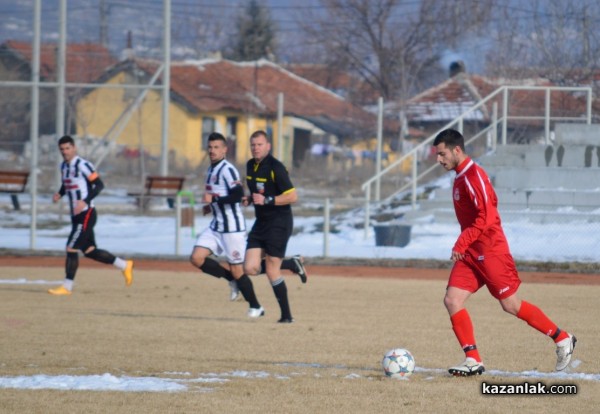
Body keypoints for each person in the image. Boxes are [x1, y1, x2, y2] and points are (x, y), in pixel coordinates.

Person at [433, 128, 576, 376]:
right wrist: (466, 245)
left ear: (457, 150)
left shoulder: (473, 176)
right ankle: (473, 360)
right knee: (452, 300)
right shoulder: (459, 176)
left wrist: (461, 242)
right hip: (471, 253)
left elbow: (486, 217)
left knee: (510, 305)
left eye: (442, 153)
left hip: (490, 250)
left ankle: (562, 338)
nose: (439, 159)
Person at [48, 135, 133, 295]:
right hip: (75, 215)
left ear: (74, 148)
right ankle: (124, 265)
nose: (65, 152)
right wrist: (59, 194)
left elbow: (99, 185)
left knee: (71, 248)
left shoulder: (83, 165)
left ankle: (67, 287)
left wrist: (85, 201)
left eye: (68, 148)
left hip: (86, 213)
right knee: (89, 250)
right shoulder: (64, 167)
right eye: (62, 149)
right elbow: (67, 185)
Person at [190, 132, 263, 313]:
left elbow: (237, 195)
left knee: (239, 270)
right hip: (216, 226)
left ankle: (256, 306)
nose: (212, 151)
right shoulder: (210, 169)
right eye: (210, 147)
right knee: (196, 258)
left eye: (216, 147)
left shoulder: (227, 169)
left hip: (232, 228)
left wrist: (214, 201)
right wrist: (211, 207)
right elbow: (218, 196)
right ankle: (231, 280)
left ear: (224, 150)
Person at [243, 130, 301, 323]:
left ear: (268, 146)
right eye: (253, 145)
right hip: (261, 223)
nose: (256, 148)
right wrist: (249, 199)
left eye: (259, 144)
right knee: (249, 267)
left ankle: (286, 316)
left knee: (271, 270)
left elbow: (292, 197)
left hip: (279, 222)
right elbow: (259, 192)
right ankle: (291, 263)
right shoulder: (250, 165)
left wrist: (268, 199)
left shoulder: (276, 167)